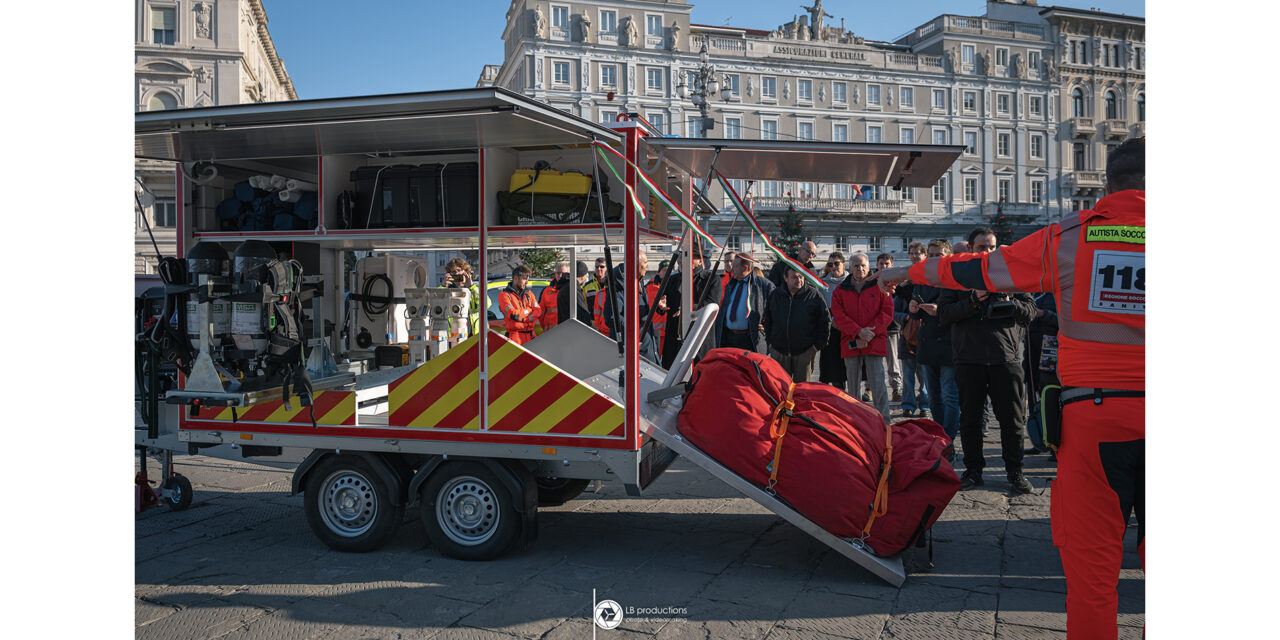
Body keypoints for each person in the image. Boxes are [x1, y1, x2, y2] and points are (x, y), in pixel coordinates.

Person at [871, 137, 1145, 640]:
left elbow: (976, 270)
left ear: (1107, 187)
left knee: (1092, 576)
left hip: (1094, 421)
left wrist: (905, 270)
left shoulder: (1071, 238)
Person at [934, 227, 1037, 494]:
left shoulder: (1010, 273)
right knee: (970, 419)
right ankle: (973, 470)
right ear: (971, 249)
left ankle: (1015, 472)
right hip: (969, 358)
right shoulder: (957, 276)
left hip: (1006, 358)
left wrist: (1010, 303)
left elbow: (1030, 311)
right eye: (982, 247)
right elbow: (944, 315)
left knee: (1013, 420)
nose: (988, 252)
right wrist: (973, 299)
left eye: (991, 247)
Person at [830, 252, 892, 421]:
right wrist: (858, 332)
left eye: (863, 265)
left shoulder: (880, 285)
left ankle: (884, 422)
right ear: (850, 267)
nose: (860, 269)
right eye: (856, 266)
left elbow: (886, 312)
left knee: (878, 385)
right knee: (853, 387)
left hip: (874, 340)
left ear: (869, 266)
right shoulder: (840, 289)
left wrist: (869, 333)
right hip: (851, 341)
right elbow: (838, 314)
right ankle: (854, 421)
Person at [911, 240, 961, 447]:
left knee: (949, 394)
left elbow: (962, 308)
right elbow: (913, 311)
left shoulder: (956, 278)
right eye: (930, 255)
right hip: (928, 341)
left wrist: (940, 309)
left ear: (948, 256)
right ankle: (938, 432)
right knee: (933, 396)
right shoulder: (922, 278)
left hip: (949, 341)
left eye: (938, 255)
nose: (933, 258)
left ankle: (948, 436)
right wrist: (914, 309)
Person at [763, 265, 829, 382]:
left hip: (805, 352)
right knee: (781, 389)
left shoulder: (813, 295)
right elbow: (768, 320)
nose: (799, 280)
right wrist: (771, 343)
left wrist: (816, 346)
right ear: (785, 278)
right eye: (794, 277)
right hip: (779, 351)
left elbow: (825, 321)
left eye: (801, 277)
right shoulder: (776, 295)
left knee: (803, 391)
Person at [714, 252, 774, 353]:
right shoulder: (731, 284)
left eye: (735, 266)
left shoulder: (764, 285)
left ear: (745, 268)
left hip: (751, 340)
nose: (732, 269)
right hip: (729, 338)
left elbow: (775, 309)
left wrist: (767, 325)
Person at [896, 242, 930, 417]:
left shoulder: (931, 280)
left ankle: (925, 405)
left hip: (927, 334)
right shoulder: (903, 287)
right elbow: (893, 312)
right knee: (908, 374)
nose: (915, 256)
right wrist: (906, 317)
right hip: (907, 335)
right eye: (912, 253)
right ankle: (908, 405)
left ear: (925, 255)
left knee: (924, 374)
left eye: (918, 253)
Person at [817, 252, 848, 389]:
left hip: (846, 326)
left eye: (836, 263)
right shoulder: (822, 283)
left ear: (844, 265)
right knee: (828, 360)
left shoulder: (850, 281)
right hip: (829, 326)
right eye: (830, 264)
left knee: (844, 362)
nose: (833, 267)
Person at [877, 253, 904, 402]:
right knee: (873, 361)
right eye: (881, 263)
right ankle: (869, 387)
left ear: (892, 265)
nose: (884, 266)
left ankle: (896, 388)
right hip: (874, 328)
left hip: (892, 328)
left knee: (893, 362)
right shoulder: (873, 283)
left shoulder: (897, 284)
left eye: (887, 264)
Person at [498, 265, 542, 345]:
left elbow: (538, 311)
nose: (527, 282)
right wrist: (528, 311)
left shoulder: (529, 293)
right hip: (515, 338)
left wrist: (523, 316)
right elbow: (513, 314)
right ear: (515, 278)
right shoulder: (504, 295)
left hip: (531, 336)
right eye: (524, 279)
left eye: (527, 279)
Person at [444, 257, 481, 336]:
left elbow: (485, 305)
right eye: (454, 272)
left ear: (466, 272)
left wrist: (471, 286)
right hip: (453, 335)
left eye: (459, 270)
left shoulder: (473, 289)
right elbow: (437, 305)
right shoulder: (447, 289)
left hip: (472, 334)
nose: (457, 274)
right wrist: (444, 286)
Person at [556, 260, 594, 326]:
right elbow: (582, 313)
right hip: (574, 330)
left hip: (565, 328)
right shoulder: (573, 288)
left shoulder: (565, 286)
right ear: (583, 276)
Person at [539, 263, 570, 330]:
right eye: (558, 273)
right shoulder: (547, 291)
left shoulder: (571, 289)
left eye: (563, 273)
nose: (560, 275)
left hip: (567, 330)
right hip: (550, 332)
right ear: (555, 274)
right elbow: (541, 312)